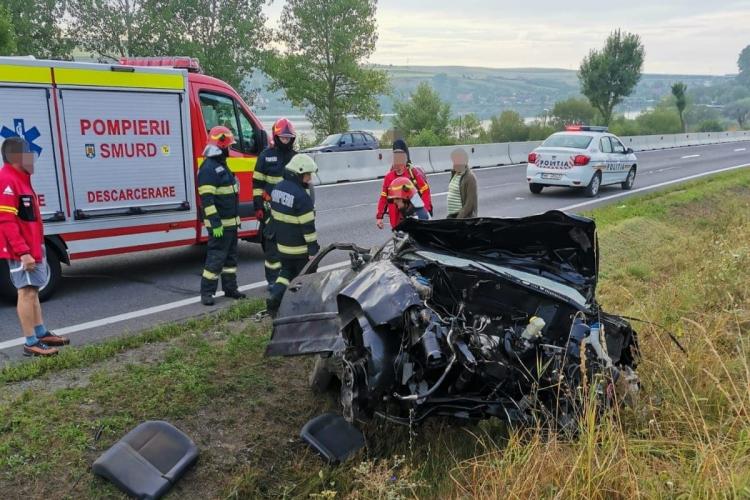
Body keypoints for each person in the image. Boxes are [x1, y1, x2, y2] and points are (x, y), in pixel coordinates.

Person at [0, 137, 69, 356]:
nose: (33, 158)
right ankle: (31, 343)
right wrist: (23, 253)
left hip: (33, 246)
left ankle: (41, 333)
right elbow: (6, 221)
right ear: (16, 157)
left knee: (34, 292)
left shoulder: (22, 179)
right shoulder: (7, 180)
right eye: (28, 154)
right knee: (26, 292)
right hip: (23, 251)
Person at [198, 126, 247, 306]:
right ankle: (207, 293)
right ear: (221, 146)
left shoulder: (220, 165)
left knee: (230, 259)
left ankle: (230, 288)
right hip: (220, 226)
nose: (229, 149)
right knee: (216, 259)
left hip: (230, 224)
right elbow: (207, 200)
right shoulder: (209, 168)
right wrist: (215, 223)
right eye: (228, 146)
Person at [266, 154, 319, 315]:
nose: (309, 179)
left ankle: (275, 297)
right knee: (307, 279)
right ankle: (306, 310)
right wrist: (312, 250)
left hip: (283, 247)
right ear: (297, 173)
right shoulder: (302, 197)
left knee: (285, 274)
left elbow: (274, 217)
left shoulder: (277, 188)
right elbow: (308, 228)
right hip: (299, 249)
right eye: (307, 175)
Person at [253, 118, 297, 288]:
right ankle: (273, 281)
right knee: (272, 248)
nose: (285, 140)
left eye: (288, 137)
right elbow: (257, 183)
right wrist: (258, 206)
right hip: (270, 208)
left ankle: (289, 279)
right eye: (283, 137)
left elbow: (305, 185)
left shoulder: (296, 157)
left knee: (291, 245)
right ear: (276, 136)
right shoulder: (266, 156)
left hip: (290, 209)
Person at [376, 140, 432, 230]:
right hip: (395, 220)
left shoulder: (413, 173)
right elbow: (384, 197)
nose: (395, 163)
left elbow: (425, 191)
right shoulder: (388, 177)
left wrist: (424, 211)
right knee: (398, 240)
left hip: (412, 217)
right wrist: (379, 217)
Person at [446, 147, 478, 218]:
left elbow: (470, 203)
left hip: (464, 219)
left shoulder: (470, 177)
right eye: (455, 160)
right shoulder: (455, 174)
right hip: (453, 216)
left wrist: (459, 218)